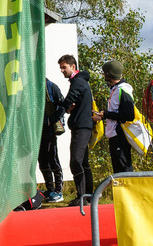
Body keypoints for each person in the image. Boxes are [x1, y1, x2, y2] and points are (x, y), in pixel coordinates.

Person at [58, 54, 95, 204]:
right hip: (82, 125)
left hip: (81, 126)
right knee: (83, 162)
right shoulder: (80, 81)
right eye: (60, 67)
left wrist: (65, 106)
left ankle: (82, 196)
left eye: (64, 67)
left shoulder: (78, 82)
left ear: (73, 67)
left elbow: (68, 101)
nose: (62, 70)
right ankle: (89, 195)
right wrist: (68, 107)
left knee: (76, 161)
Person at [93, 59, 137, 174]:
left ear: (109, 75)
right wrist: (102, 116)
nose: (103, 75)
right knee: (118, 170)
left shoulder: (123, 90)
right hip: (114, 135)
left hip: (120, 135)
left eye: (104, 73)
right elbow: (117, 111)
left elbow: (129, 115)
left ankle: (129, 191)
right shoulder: (115, 89)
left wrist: (106, 114)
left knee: (124, 169)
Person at [39, 78, 65, 202]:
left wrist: (52, 121)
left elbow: (63, 106)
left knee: (52, 159)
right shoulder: (32, 87)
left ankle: (58, 190)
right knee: (42, 160)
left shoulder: (51, 87)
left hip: (49, 129)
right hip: (37, 131)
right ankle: (50, 189)